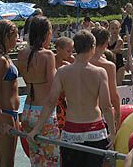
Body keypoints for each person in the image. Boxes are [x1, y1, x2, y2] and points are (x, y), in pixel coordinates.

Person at [28, 30, 116, 167]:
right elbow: (106, 106)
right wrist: (113, 131)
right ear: (92, 47)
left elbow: (51, 102)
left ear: (75, 48)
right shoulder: (100, 73)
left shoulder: (63, 71)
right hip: (96, 131)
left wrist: (36, 129)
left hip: (71, 131)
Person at [18, 16, 60, 166]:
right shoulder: (47, 55)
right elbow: (52, 89)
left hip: (27, 112)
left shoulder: (22, 53)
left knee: (36, 160)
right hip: (44, 114)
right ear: (46, 33)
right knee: (51, 161)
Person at [0, 20, 20, 166]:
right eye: (16, 35)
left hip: (10, 113)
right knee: (6, 163)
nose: (18, 38)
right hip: (3, 113)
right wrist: (1, 119)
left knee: (10, 163)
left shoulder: (4, 57)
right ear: (8, 36)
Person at [90, 27, 121, 127]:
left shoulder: (77, 61)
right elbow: (113, 95)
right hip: (99, 113)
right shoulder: (108, 66)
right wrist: (118, 113)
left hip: (76, 114)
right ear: (106, 43)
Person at [54, 37, 74, 131]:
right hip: (55, 98)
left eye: (71, 51)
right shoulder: (51, 61)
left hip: (66, 98)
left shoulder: (71, 61)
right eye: (68, 51)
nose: (71, 54)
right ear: (59, 49)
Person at [108, 20, 126, 86]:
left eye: (116, 28)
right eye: (112, 28)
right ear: (109, 29)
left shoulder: (119, 40)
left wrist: (105, 51)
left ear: (119, 29)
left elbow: (114, 51)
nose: (114, 30)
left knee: (118, 85)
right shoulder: (108, 40)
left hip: (119, 65)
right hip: (110, 63)